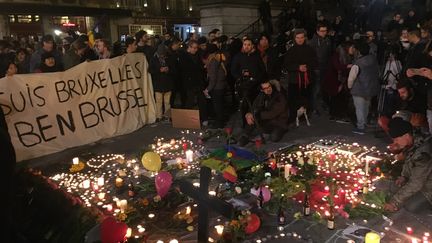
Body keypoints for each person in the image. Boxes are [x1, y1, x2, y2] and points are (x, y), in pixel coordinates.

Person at [383, 118, 432, 214]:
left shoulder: (424, 153)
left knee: (410, 206)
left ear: (406, 135)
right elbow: (409, 161)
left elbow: (416, 183)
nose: (395, 142)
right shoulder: (413, 140)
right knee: (394, 187)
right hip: (420, 179)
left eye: (397, 139)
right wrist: (404, 176)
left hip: (429, 187)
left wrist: (395, 202)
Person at [238, 80, 289, 146]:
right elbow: (254, 106)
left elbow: (272, 113)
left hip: (279, 123)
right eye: (265, 88)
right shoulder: (261, 95)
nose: (268, 89)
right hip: (266, 121)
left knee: (274, 138)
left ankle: (279, 131)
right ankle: (244, 137)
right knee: (251, 118)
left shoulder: (279, 96)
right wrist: (249, 114)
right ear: (262, 90)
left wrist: (256, 115)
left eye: (269, 87)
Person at [348, 42, 380, 135]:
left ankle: (361, 127)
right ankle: (365, 123)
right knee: (366, 106)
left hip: (359, 89)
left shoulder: (357, 63)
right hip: (371, 88)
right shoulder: (373, 59)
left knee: (359, 108)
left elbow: (351, 78)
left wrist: (350, 87)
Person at [149, 45, 175, 122]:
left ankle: (167, 116)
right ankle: (159, 116)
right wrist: (159, 70)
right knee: (158, 102)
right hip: (158, 83)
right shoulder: (153, 59)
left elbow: (174, 69)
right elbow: (150, 70)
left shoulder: (169, 58)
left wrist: (168, 70)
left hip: (168, 83)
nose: (162, 55)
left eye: (163, 54)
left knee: (167, 102)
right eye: (161, 54)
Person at [204, 44, 228, 128]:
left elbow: (213, 78)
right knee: (220, 105)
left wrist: (208, 89)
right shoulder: (219, 58)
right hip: (221, 85)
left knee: (217, 106)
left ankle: (219, 123)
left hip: (217, 87)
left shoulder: (213, 61)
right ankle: (221, 121)